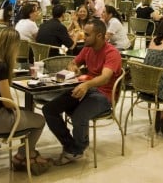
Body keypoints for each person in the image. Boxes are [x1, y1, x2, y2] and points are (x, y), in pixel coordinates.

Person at [43, 19, 122, 165]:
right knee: (49, 109)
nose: (82, 37)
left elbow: (105, 78)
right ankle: (72, 146)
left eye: (87, 34)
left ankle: (76, 150)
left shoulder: (112, 53)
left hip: (104, 96)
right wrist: (73, 67)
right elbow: (73, 63)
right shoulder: (87, 48)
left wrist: (86, 85)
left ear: (99, 36)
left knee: (79, 116)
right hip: (86, 89)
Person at [0, 28, 51, 174]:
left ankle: (25, 155)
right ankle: (25, 155)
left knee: (26, 113)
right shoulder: (0, 65)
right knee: (39, 120)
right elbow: (7, 102)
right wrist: (17, 109)